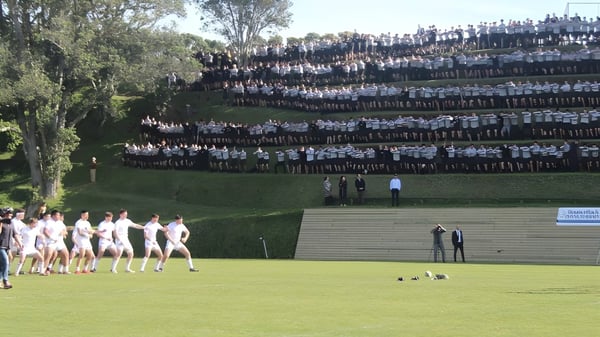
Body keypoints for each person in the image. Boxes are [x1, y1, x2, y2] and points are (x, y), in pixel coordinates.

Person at [113, 209, 144, 273]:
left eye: (126, 214)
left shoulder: (127, 221)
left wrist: (143, 227)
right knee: (119, 254)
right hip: (119, 240)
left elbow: (135, 225)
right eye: (124, 214)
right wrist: (119, 240)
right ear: (120, 215)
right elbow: (115, 233)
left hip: (126, 239)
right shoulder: (117, 222)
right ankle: (113, 269)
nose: (125, 216)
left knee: (131, 253)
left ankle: (127, 268)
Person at [0, 208, 16, 288]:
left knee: (2, 264)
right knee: (6, 262)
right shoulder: (1, 222)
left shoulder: (11, 223)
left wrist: (20, 243)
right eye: (9, 213)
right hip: (0, 246)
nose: (11, 215)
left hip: (7, 246)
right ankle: (5, 281)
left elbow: (14, 234)